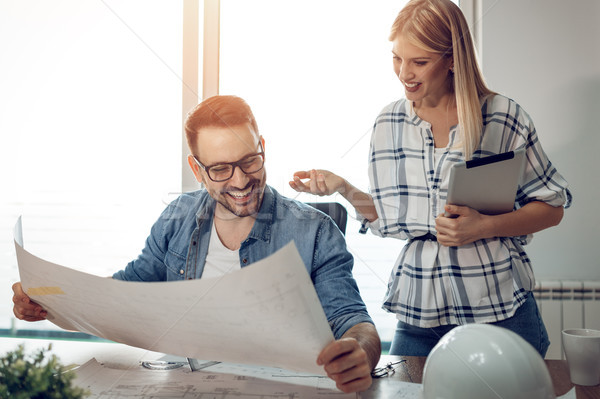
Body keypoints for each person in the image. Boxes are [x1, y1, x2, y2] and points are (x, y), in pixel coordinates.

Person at [12, 95, 381, 393]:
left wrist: (358, 352)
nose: (240, 181)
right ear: (196, 169)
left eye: (250, 161)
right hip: (185, 385)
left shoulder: (315, 231)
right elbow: (123, 295)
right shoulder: (178, 217)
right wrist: (47, 301)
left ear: (263, 148)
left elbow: (355, 323)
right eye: (220, 169)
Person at [290, 0, 571, 358]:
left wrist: (482, 226)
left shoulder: (504, 117)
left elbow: (551, 206)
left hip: (501, 309)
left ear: (452, 59)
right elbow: (390, 217)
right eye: (397, 58)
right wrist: (343, 188)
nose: (404, 72)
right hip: (421, 313)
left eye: (419, 62)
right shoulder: (388, 123)